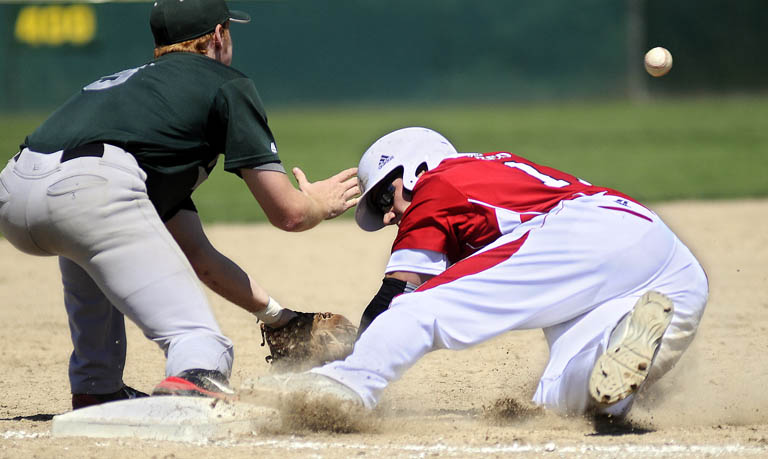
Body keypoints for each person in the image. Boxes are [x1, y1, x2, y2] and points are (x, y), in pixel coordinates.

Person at [0, 0, 359, 410]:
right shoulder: (225, 84)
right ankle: (196, 375)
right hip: (92, 189)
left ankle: (97, 384)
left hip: (14, 190)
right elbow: (288, 212)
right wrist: (318, 204)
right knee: (200, 342)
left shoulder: (146, 106)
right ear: (218, 35)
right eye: (228, 30)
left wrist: (278, 317)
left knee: (88, 242)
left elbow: (198, 255)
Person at [243, 127, 708, 418]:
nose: (388, 216)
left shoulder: (436, 184)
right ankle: (617, 363)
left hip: (587, 232)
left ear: (414, 170)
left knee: (418, 308)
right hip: (668, 262)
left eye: (386, 198)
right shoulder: (488, 170)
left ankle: (349, 384)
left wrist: (345, 355)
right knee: (563, 394)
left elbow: (396, 297)